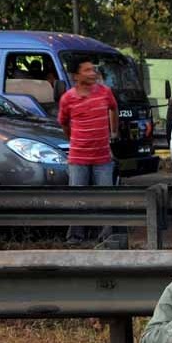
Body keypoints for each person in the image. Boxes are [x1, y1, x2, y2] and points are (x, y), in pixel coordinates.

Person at [57, 57, 119, 245]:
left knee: (106, 199)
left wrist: (113, 132)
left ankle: (107, 237)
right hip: (78, 157)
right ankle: (75, 237)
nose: (92, 73)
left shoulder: (104, 92)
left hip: (102, 158)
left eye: (93, 69)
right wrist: (73, 141)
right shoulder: (68, 98)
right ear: (76, 76)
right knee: (77, 199)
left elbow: (114, 108)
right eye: (87, 70)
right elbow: (64, 123)